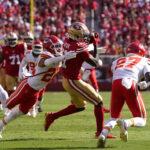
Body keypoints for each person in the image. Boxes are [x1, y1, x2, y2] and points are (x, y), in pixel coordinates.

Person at [44, 22, 116, 139]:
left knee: (80, 106)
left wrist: (89, 42)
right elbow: (95, 62)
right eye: (81, 35)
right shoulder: (79, 46)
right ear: (75, 35)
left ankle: (52, 117)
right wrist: (96, 45)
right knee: (99, 102)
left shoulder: (67, 40)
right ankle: (99, 133)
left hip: (67, 79)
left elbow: (79, 45)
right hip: (73, 81)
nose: (83, 37)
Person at [0, 35, 76, 138]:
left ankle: (1, 125)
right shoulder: (45, 54)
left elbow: (65, 63)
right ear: (49, 46)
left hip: (36, 90)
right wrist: (64, 57)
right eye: (56, 45)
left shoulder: (58, 56)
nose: (59, 48)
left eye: (59, 45)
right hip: (27, 85)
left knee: (22, 111)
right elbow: (45, 63)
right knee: (6, 104)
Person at [97, 41, 150, 148]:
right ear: (140, 51)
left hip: (116, 83)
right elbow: (148, 76)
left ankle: (103, 135)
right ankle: (125, 123)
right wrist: (146, 83)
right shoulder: (144, 60)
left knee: (113, 117)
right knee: (142, 119)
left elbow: (111, 71)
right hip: (130, 82)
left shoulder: (117, 60)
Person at [18, 40, 44, 117]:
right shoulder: (28, 54)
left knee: (40, 96)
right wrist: (21, 72)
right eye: (35, 47)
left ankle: (36, 107)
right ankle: (31, 108)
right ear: (32, 47)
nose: (37, 48)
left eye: (38, 47)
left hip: (42, 77)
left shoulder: (44, 55)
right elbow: (23, 63)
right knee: (30, 94)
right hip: (31, 76)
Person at [0, 32, 27, 96]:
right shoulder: (4, 49)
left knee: (25, 90)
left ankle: (24, 104)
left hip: (20, 72)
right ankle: (10, 104)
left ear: (16, 40)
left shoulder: (21, 46)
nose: (12, 42)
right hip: (10, 72)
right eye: (10, 40)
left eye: (13, 40)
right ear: (7, 41)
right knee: (10, 90)